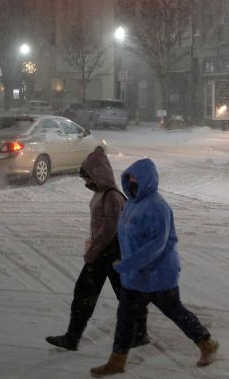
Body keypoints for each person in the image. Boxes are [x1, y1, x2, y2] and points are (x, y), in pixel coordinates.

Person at [90, 158, 218, 377]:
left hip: (158, 275)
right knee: (125, 319)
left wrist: (126, 264)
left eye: (135, 178)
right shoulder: (132, 203)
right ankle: (117, 362)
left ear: (147, 180)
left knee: (176, 312)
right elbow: (126, 234)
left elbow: (156, 246)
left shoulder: (157, 207)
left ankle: (207, 344)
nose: (131, 182)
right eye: (128, 177)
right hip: (134, 276)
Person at [45, 146, 148, 352]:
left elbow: (110, 229)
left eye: (87, 178)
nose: (86, 183)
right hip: (105, 252)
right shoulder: (102, 193)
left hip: (111, 253)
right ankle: (74, 337)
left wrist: (93, 251)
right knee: (94, 293)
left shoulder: (112, 196)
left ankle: (138, 334)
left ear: (97, 174)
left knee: (117, 293)